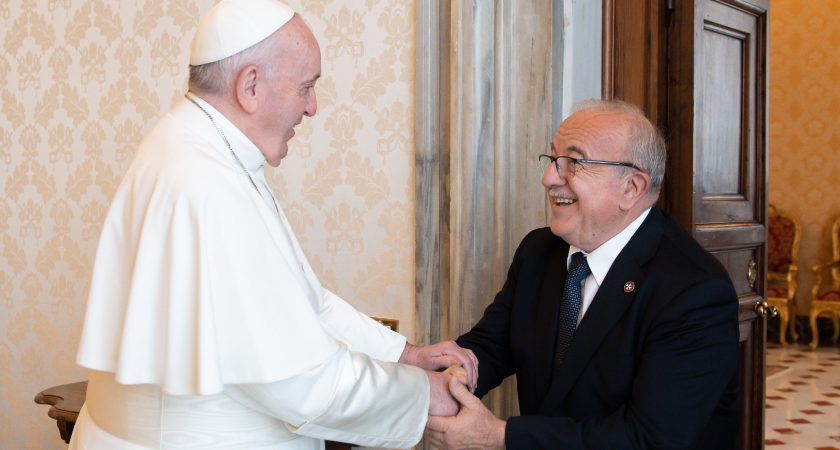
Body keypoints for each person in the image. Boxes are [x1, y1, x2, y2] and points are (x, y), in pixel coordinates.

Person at [70, 0, 477, 449]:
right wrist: (424, 397)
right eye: (306, 87)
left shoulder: (196, 149)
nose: (312, 108)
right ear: (250, 86)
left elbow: (305, 302)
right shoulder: (207, 183)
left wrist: (405, 355)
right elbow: (306, 385)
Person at [426, 99, 740, 450]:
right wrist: (451, 379)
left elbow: (648, 439)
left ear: (631, 187)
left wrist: (500, 437)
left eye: (573, 163)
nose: (548, 178)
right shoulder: (539, 251)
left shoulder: (694, 291)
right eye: (552, 160)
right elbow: (493, 345)